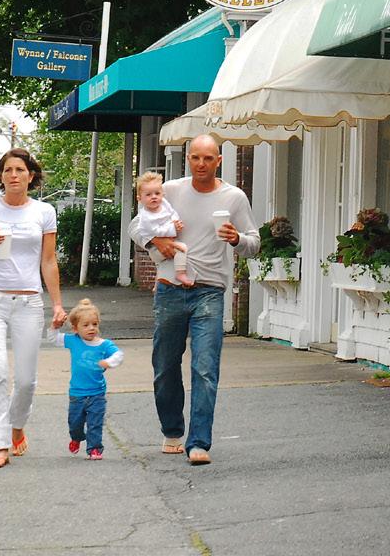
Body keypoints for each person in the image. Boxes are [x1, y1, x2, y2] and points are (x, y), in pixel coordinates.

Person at [142, 135, 258, 466]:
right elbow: (139, 226)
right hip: (170, 288)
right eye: (195, 157)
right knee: (165, 366)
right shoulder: (171, 191)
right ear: (188, 158)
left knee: (205, 368)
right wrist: (156, 243)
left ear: (218, 161)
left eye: (208, 158)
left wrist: (236, 239)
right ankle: (172, 430)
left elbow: (254, 243)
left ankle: (198, 442)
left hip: (209, 290)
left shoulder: (233, 197)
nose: (201, 164)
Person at [0, 148, 66, 469]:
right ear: (0, 176)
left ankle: (17, 424)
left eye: (19, 170)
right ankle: (0, 445)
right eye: (7, 170)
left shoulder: (44, 212)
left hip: (28, 302)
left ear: (30, 175)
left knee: (25, 381)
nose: (13, 175)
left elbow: (48, 261)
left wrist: (57, 304)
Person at [48, 298, 123, 459]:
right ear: (75, 328)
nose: (91, 328)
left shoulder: (104, 345)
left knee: (95, 423)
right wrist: (54, 326)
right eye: (86, 325)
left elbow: (118, 355)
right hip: (77, 393)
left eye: (94, 324)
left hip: (97, 393)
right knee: (75, 423)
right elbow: (53, 339)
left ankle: (95, 449)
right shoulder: (73, 341)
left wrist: (109, 362)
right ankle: (76, 438)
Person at [130, 172, 194, 287]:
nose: (154, 197)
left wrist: (175, 221)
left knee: (161, 264)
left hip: (168, 241)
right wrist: (173, 228)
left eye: (157, 193)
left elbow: (171, 213)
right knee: (182, 249)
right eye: (148, 195)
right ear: (140, 198)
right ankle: (181, 274)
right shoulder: (146, 217)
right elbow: (155, 232)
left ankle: (157, 282)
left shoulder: (163, 205)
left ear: (162, 194)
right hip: (156, 249)